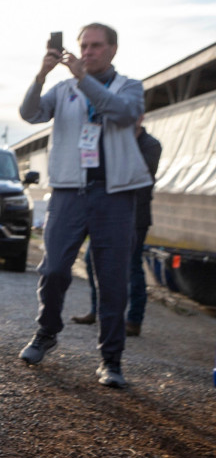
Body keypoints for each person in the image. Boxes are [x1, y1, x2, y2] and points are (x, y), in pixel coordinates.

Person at [17, 23, 152, 388]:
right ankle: (46, 333)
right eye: (83, 46)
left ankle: (111, 360)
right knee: (55, 269)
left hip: (114, 194)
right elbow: (30, 114)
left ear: (112, 50)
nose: (88, 52)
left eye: (95, 46)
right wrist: (41, 75)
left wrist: (83, 79)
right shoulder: (63, 89)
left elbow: (121, 114)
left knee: (112, 280)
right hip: (68, 192)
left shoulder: (131, 87)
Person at [71, 119, 161, 335]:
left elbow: (139, 173)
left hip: (136, 215)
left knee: (132, 266)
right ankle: (97, 310)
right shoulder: (113, 139)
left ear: (139, 117)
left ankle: (134, 320)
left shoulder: (151, 144)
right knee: (90, 261)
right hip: (106, 212)